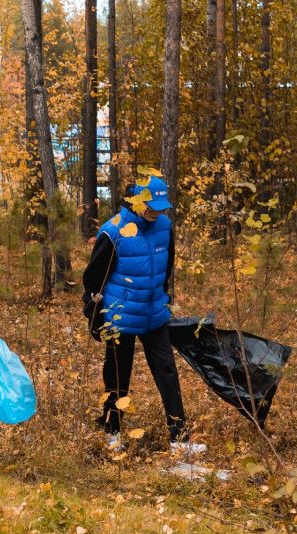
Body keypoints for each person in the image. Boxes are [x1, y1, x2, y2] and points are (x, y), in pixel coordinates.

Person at [82, 176, 206, 455]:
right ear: (135, 202)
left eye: (161, 208)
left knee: (167, 373)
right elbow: (93, 279)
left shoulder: (164, 226)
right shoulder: (113, 231)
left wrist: (163, 299)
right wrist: (95, 314)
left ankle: (179, 439)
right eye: (151, 207)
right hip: (120, 317)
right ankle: (111, 431)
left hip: (154, 313)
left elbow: (166, 268)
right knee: (117, 375)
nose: (156, 213)